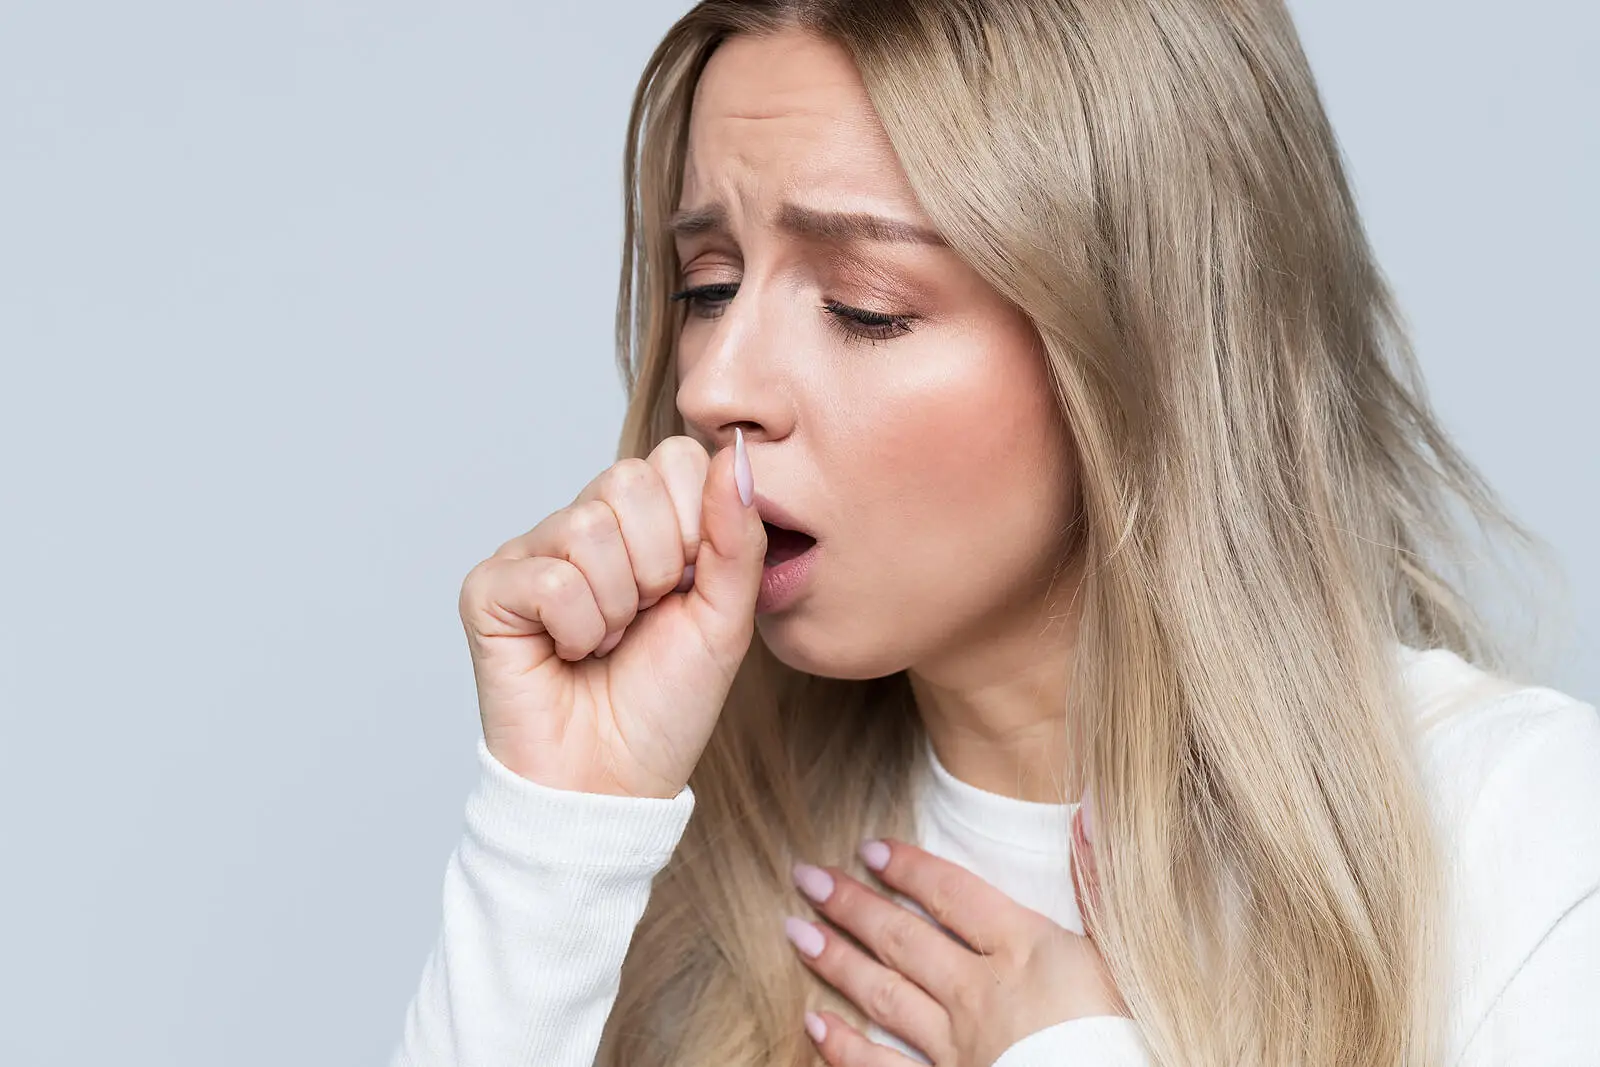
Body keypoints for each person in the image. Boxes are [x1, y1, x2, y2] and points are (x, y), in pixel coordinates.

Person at [389, 1, 1600, 1065]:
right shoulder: (688, 864)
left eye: (862, 306)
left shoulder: (1526, 840)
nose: (713, 385)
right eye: (710, 285)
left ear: (1143, 349)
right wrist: (559, 825)